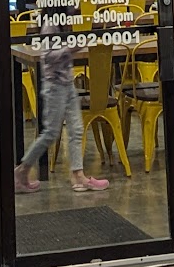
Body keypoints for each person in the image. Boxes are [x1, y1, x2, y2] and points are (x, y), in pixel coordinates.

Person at [15, 36, 110, 196]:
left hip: (67, 82)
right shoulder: (51, 26)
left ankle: (78, 176)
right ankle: (21, 171)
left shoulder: (62, 25)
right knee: (51, 133)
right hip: (55, 85)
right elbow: (49, 55)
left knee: (76, 130)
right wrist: (73, 47)